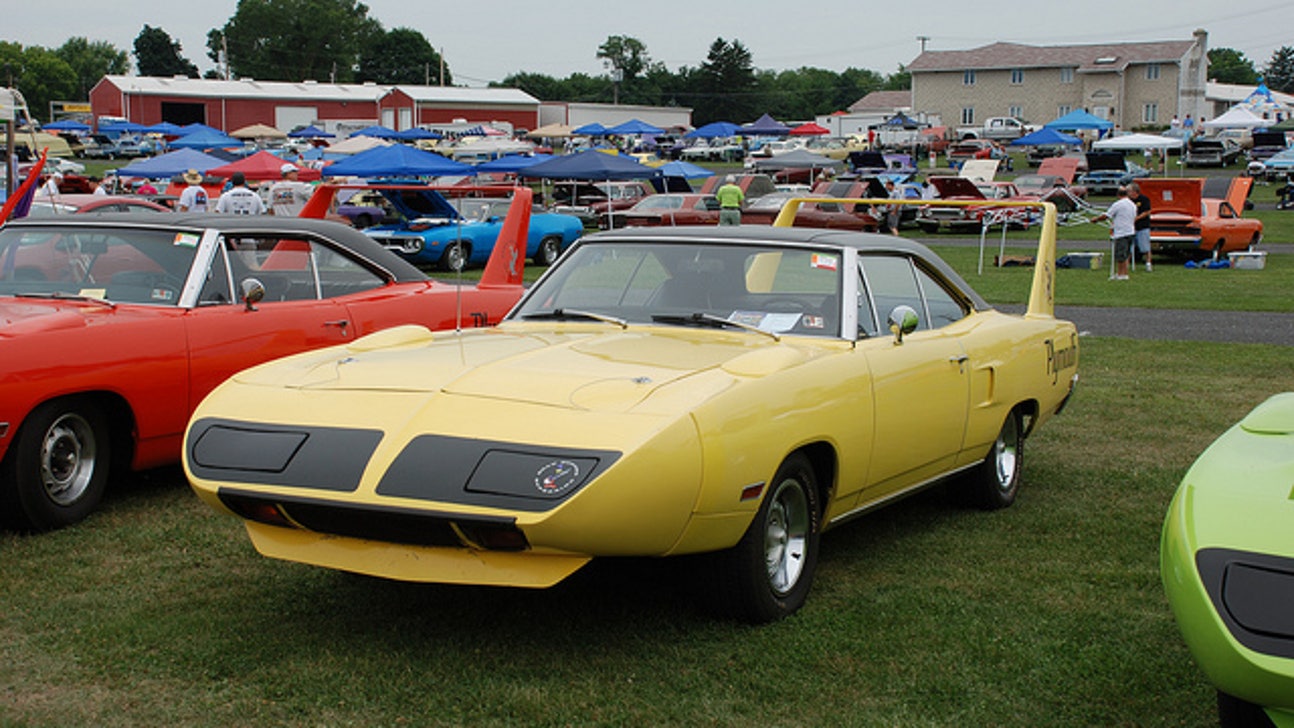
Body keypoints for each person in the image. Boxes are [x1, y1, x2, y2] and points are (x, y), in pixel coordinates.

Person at [1092, 186, 1136, 280]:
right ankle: (1124, 273)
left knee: (1120, 255)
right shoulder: (1132, 204)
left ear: (1118, 195)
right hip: (1131, 231)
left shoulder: (1118, 204)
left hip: (1121, 233)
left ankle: (1121, 274)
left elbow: (1107, 215)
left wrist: (1096, 219)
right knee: (1126, 254)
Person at [1127, 182, 1153, 272]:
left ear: (1135, 191)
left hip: (1142, 227)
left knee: (1145, 247)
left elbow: (1147, 212)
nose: (1128, 193)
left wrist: (1136, 218)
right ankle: (1126, 264)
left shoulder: (1144, 199)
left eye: (1129, 191)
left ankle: (1148, 264)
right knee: (1128, 247)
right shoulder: (1127, 201)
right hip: (1130, 228)